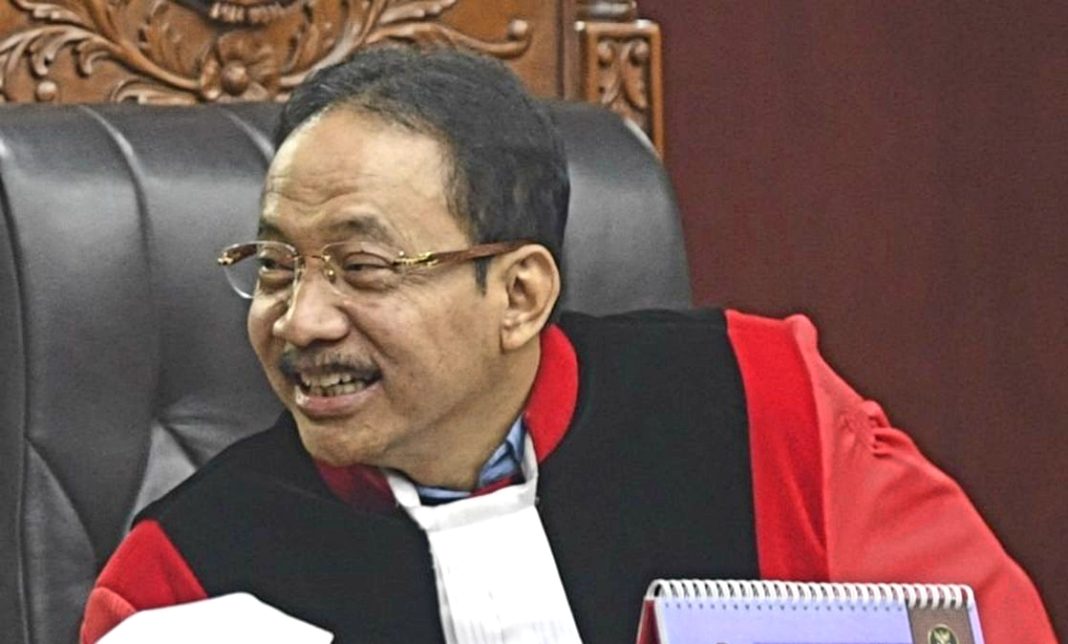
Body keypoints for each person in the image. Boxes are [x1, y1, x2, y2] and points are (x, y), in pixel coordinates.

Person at [80, 46, 1055, 643]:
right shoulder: (182, 576)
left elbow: (977, 623)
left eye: (363, 267)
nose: (301, 322)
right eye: (277, 266)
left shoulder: (765, 405)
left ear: (519, 295)